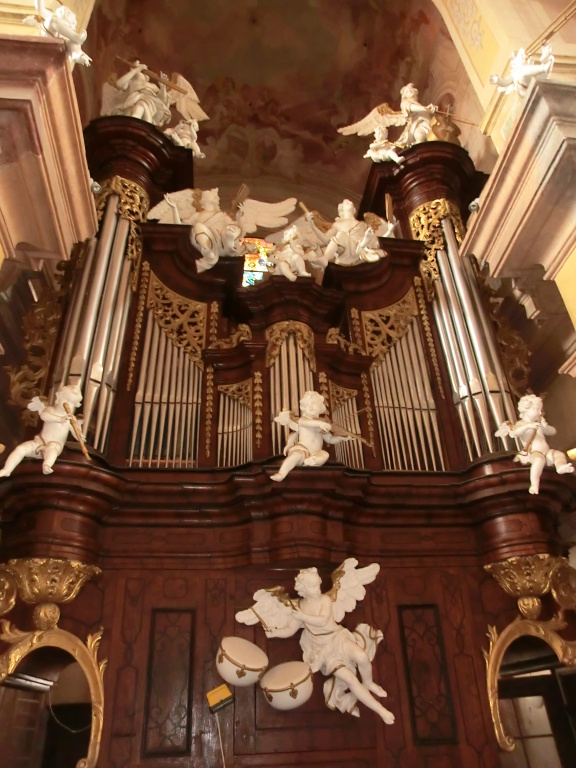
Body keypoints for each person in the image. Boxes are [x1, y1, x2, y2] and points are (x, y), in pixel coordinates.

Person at [259, 565, 395, 724]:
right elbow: (290, 629)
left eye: (318, 585)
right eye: (312, 587)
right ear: (303, 588)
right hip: (324, 651)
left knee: (362, 657)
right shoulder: (299, 607)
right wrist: (275, 632)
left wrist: (303, 616)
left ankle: (369, 683)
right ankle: (381, 710)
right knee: (350, 680)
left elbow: (322, 620)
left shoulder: (325, 600)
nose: (317, 589)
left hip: (338, 638)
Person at [495, 393, 574, 494]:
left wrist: (545, 426)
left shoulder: (538, 423)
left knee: (559, 454)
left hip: (547, 452)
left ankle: (560, 467)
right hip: (533, 453)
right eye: (537, 409)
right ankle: (534, 484)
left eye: (540, 410)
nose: (540, 412)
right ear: (526, 410)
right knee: (539, 460)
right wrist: (528, 426)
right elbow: (516, 432)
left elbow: (553, 432)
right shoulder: (521, 423)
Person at [0, 385, 84, 477]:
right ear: (59, 397)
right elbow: (44, 416)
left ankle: (47, 465)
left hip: (55, 446)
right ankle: (7, 469)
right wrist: (60, 419)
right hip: (39, 442)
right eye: (66, 400)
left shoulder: (72, 419)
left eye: (72, 403)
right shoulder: (50, 410)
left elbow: (76, 433)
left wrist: (79, 435)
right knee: (21, 448)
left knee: (52, 448)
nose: (68, 404)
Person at [271, 390, 352, 481]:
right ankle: (281, 473)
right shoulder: (303, 420)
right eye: (307, 405)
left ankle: (310, 461)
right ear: (303, 408)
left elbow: (330, 439)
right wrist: (321, 424)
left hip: (315, 452)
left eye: (314, 403)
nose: (310, 406)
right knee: (296, 455)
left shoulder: (321, 424)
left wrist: (341, 438)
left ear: (320, 408)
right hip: (302, 449)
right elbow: (309, 423)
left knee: (325, 454)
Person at [164, 188, 243, 272]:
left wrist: (238, 216)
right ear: (202, 201)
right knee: (198, 226)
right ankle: (207, 250)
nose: (212, 193)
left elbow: (237, 227)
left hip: (221, 242)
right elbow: (180, 229)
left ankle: (229, 241)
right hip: (206, 240)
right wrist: (174, 208)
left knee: (234, 227)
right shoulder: (197, 215)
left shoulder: (222, 215)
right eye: (209, 193)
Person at [305, 199, 387, 267]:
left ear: (354, 209)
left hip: (362, 248)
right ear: (342, 209)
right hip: (349, 249)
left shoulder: (363, 224)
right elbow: (325, 240)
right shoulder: (337, 224)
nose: (349, 201)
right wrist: (313, 226)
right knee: (340, 235)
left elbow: (374, 239)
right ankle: (325, 258)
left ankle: (363, 250)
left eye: (350, 202)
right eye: (346, 202)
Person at [23, 0, 91, 66]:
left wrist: (80, 56)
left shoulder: (68, 35)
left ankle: (76, 49)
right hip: (49, 41)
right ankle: (77, 38)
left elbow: (74, 47)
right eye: (67, 13)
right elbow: (40, 9)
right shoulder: (54, 18)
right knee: (52, 20)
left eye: (69, 13)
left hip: (55, 52)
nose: (69, 14)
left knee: (72, 41)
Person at [112, 60, 171, 127]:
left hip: (150, 106)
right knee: (140, 106)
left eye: (142, 70)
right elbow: (119, 84)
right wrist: (136, 70)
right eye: (137, 67)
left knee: (141, 105)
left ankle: (136, 124)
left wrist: (163, 87)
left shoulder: (152, 86)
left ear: (147, 76)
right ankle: (136, 125)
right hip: (134, 102)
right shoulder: (131, 82)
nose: (141, 70)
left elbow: (161, 100)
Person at [396, 83, 436, 147]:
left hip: (426, 122)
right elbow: (411, 107)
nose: (411, 90)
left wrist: (433, 109)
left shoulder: (418, 103)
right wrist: (425, 109)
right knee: (420, 134)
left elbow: (426, 113)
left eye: (412, 89)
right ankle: (418, 149)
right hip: (417, 124)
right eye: (409, 91)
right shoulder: (405, 103)